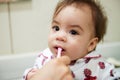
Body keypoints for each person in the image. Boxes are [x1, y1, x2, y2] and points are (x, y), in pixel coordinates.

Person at [23, 0, 120, 80]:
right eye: (56, 28)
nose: (60, 36)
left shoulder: (99, 66)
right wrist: (31, 75)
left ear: (91, 44)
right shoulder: (45, 57)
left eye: (73, 32)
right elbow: (32, 72)